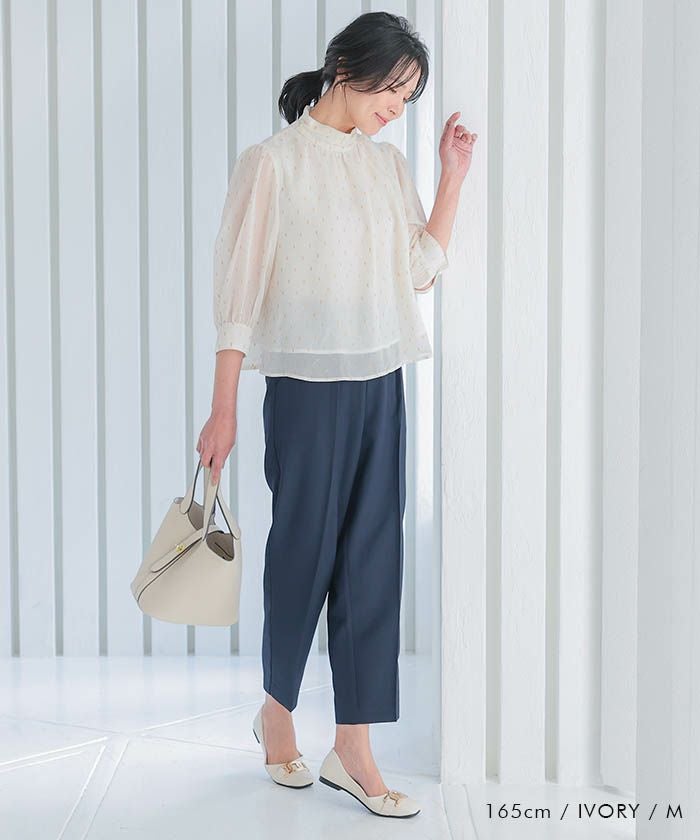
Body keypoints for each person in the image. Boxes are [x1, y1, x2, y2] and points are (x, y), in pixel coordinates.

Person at [196, 10, 476, 819]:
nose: (398, 106)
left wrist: (450, 177)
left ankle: (353, 747)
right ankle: (277, 713)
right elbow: (239, 294)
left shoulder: (387, 167)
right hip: (305, 388)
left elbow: (418, 270)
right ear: (347, 68)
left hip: (381, 381)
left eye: (410, 97)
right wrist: (223, 409)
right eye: (394, 88)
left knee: (373, 559)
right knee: (302, 554)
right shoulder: (273, 164)